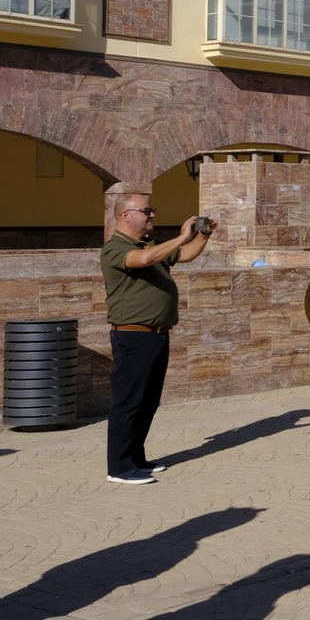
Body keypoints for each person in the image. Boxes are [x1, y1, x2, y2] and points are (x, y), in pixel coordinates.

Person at [100, 194, 211, 484]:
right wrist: (181, 236)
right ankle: (119, 468)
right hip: (132, 336)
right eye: (146, 211)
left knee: (148, 401)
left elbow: (185, 255)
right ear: (126, 216)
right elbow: (145, 259)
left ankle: (136, 457)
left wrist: (203, 234)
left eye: (152, 211)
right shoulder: (115, 248)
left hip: (157, 336)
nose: (151, 216)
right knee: (128, 401)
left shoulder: (150, 246)